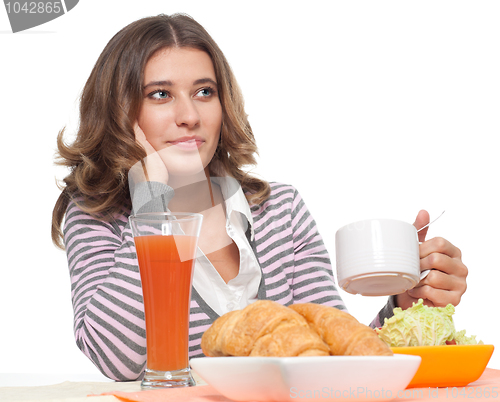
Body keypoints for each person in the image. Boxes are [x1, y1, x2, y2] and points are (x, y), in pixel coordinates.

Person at [51, 14, 468, 381]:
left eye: (204, 92)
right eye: (160, 94)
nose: (190, 116)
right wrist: (151, 201)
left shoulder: (279, 210)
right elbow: (117, 358)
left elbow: (325, 352)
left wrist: (404, 303)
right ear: (120, 110)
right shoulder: (95, 215)